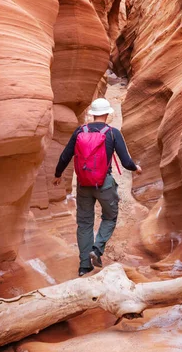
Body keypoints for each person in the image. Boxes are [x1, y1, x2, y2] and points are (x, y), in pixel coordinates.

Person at [53, 97, 142, 276]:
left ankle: (84, 265)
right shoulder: (112, 133)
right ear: (108, 114)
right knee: (110, 216)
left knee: (84, 223)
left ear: (92, 115)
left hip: (83, 183)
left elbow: (65, 156)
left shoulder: (80, 131)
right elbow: (125, 162)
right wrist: (136, 168)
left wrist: (57, 175)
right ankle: (97, 248)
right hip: (104, 183)